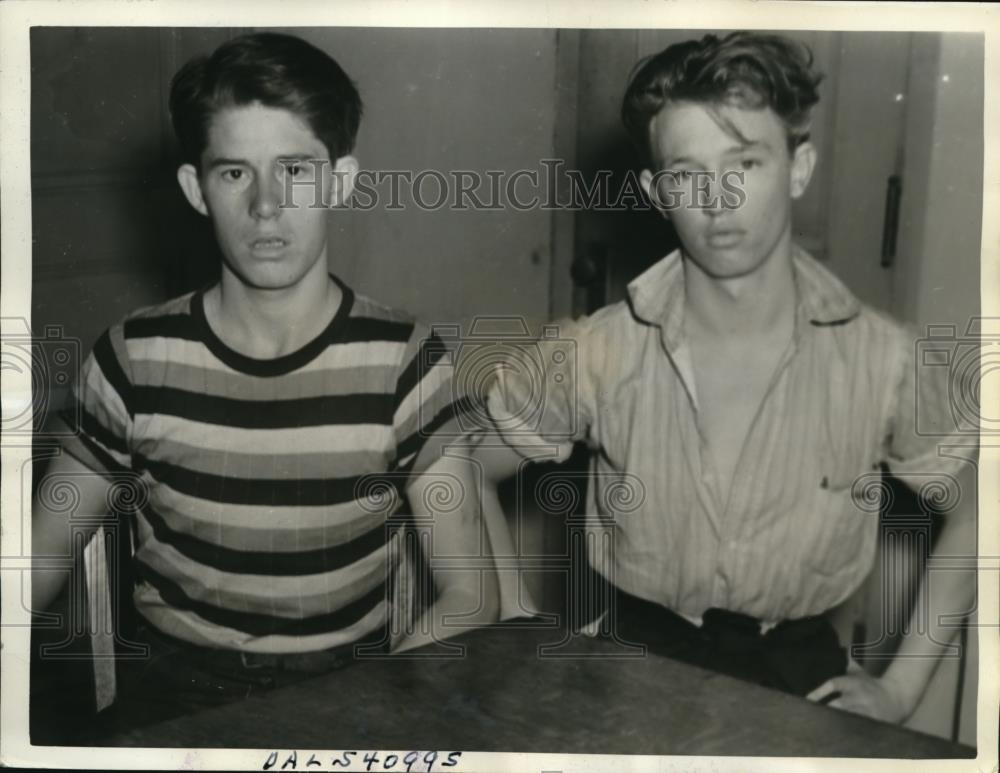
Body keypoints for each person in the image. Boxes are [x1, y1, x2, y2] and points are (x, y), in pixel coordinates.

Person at [478, 31, 977, 723]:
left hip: (803, 687)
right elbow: (458, 466)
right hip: (627, 681)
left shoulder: (884, 360)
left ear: (799, 168)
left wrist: (902, 686)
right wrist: (513, 629)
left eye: (745, 161)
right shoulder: (596, 349)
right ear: (656, 191)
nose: (716, 199)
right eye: (685, 173)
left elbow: (984, 506)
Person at [31, 32, 498, 732]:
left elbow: (471, 594)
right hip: (174, 690)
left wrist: (378, 705)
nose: (267, 206)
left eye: (296, 171)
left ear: (341, 180)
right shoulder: (133, 358)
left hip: (353, 686)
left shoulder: (405, 361)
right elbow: (32, 563)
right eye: (234, 173)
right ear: (196, 188)